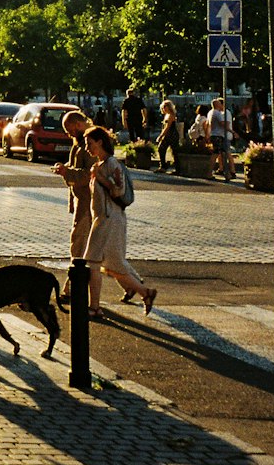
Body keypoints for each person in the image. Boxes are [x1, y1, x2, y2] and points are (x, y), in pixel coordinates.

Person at [82, 125, 156, 317]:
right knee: (112, 265)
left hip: (110, 219)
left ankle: (94, 307)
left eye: (89, 143)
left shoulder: (112, 164)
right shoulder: (98, 165)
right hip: (103, 218)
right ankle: (145, 293)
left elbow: (118, 191)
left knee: (93, 262)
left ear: (100, 142)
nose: (87, 148)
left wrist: (102, 179)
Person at [52, 109, 92, 298]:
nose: (68, 134)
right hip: (82, 201)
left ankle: (71, 288)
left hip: (88, 202)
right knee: (101, 252)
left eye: (69, 129)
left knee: (78, 245)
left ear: (78, 124)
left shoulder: (88, 144)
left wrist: (66, 172)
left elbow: (87, 175)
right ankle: (131, 284)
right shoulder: (80, 143)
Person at [206, 96, 236, 181]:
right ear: (217, 105)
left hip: (214, 135)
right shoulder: (218, 113)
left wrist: (207, 135)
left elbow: (207, 124)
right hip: (219, 136)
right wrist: (232, 131)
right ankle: (211, 173)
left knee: (221, 154)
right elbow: (223, 124)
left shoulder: (211, 113)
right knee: (219, 154)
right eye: (220, 104)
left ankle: (226, 173)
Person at [156, 99, 181, 172]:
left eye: (165, 107)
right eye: (163, 107)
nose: (163, 108)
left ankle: (176, 168)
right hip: (168, 134)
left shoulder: (171, 115)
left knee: (173, 151)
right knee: (162, 149)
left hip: (171, 134)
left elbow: (167, 127)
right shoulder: (166, 115)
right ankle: (163, 165)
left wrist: (161, 136)